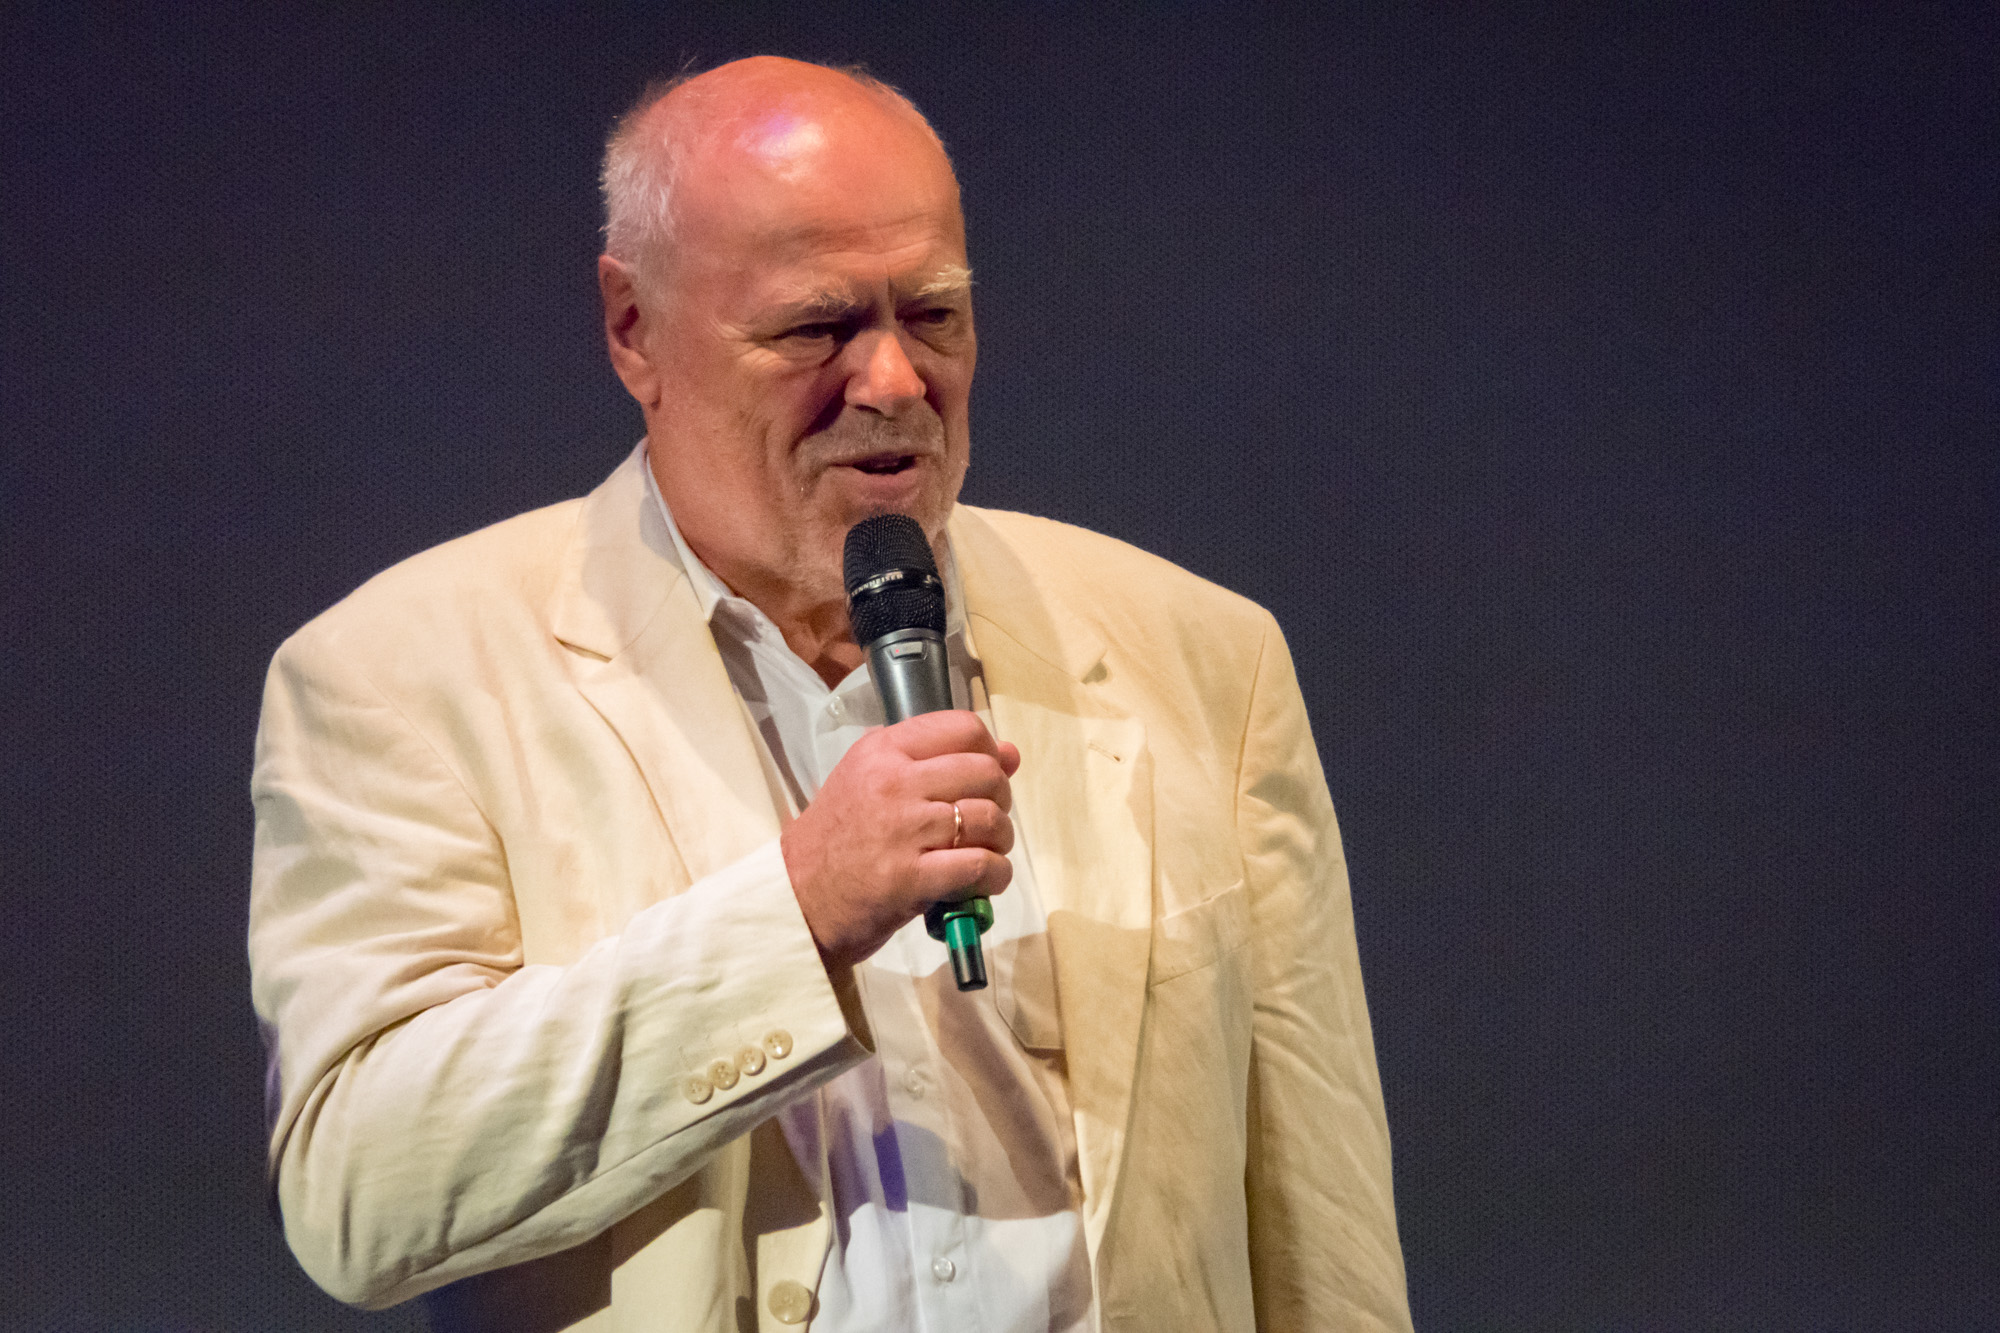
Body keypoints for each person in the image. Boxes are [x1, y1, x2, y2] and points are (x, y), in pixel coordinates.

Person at [248, 56, 1412, 1333]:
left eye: (935, 314)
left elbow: (1323, 1229)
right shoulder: (403, 675)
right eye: (816, 327)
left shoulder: (1200, 654)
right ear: (633, 328)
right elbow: (359, 1191)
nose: (894, 381)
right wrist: (797, 912)